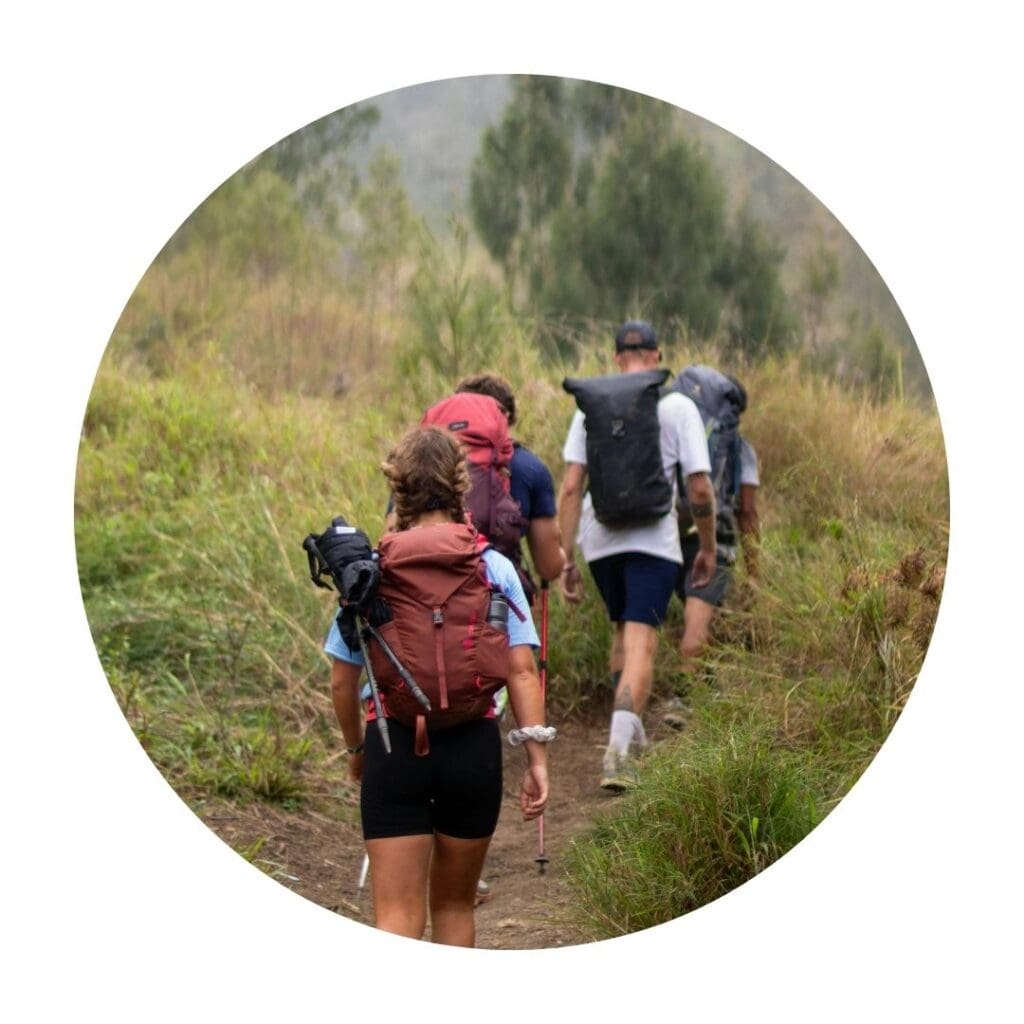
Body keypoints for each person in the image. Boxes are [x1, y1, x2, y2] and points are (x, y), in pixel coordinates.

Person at [324, 426, 551, 946]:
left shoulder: (369, 572)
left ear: (396, 489)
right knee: (453, 907)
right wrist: (537, 758)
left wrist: (357, 748)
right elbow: (520, 670)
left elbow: (342, 680)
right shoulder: (494, 566)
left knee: (398, 919)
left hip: (393, 744)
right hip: (473, 746)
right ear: (460, 485)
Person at [558, 320, 717, 792]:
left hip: (601, 540)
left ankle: (631, 733)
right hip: (652, 540)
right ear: (657, 355)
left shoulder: (592, 406)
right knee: (643, 645)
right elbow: (700, 487)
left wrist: (567, 558)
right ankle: (618, 754)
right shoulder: (677, 406)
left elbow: (570, 487)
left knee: (622, 634)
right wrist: (706, 547)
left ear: (615, 358)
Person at [454, 373, 567, 586]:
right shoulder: (530, 469)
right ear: (507, 418)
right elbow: (549, 567)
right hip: (500, 599)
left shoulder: (425, 463)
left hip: (433, 599)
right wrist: (565, 552)